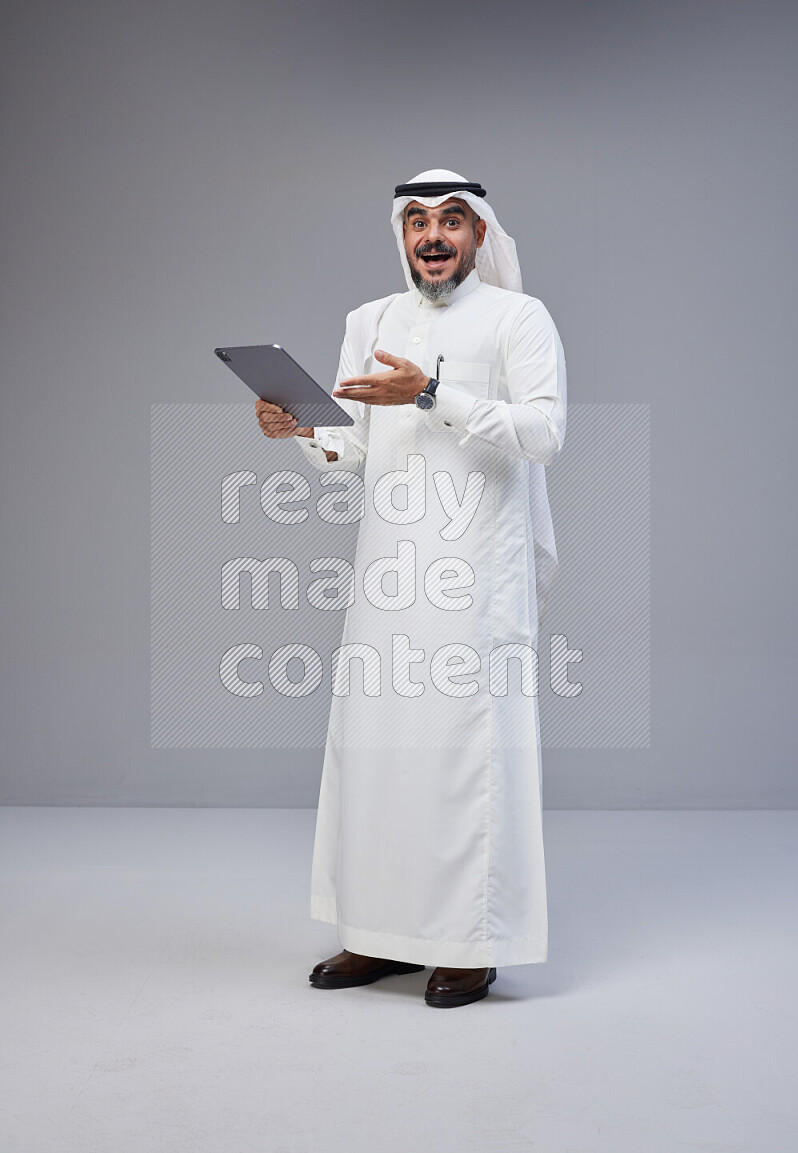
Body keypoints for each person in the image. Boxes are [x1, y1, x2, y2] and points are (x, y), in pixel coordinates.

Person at [257, 169, 567, 1007]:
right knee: (378, 754)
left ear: (479, 235)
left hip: (478, 575)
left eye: (453, 221)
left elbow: (545, 430)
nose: (433, 236)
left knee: (467, 756)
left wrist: (431, 393)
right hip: (389, 574)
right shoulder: (371, 321)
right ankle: (379, 935)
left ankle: (470, 944)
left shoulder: (518, 317)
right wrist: (301, 427)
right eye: (418, 221)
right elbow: (351, 449)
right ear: (401, 235)